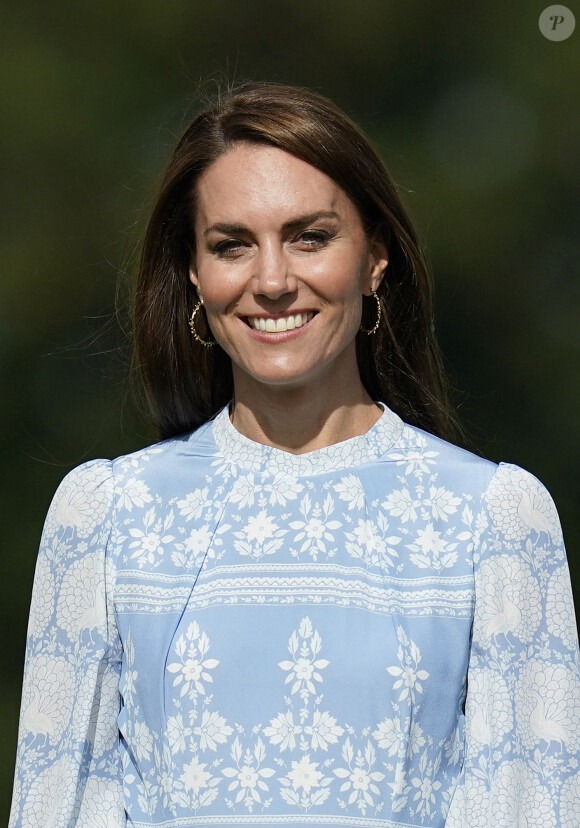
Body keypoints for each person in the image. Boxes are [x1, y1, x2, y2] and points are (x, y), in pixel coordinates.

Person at [9, 82, 580, 827]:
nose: (272, 281)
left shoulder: (493, 519)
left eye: (310, 236)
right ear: (192, 272)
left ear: (375, 258)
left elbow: (529, 807)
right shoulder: (109, 516)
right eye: (231, 245)